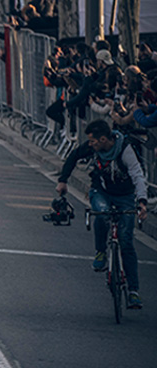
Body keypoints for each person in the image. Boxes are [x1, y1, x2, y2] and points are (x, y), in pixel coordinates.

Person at [56, 119, 148, 308]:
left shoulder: (125, 149)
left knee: (126, 242)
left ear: (104, 139)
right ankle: (100, 252)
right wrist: (63, 181)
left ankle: (133, 291)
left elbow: (137, 175)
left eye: (93, 141)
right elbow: (73, 157)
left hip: (125, 195)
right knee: (101, 212)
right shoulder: (93, 148)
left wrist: (142, 202)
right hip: (102, 191)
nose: (90, 144)